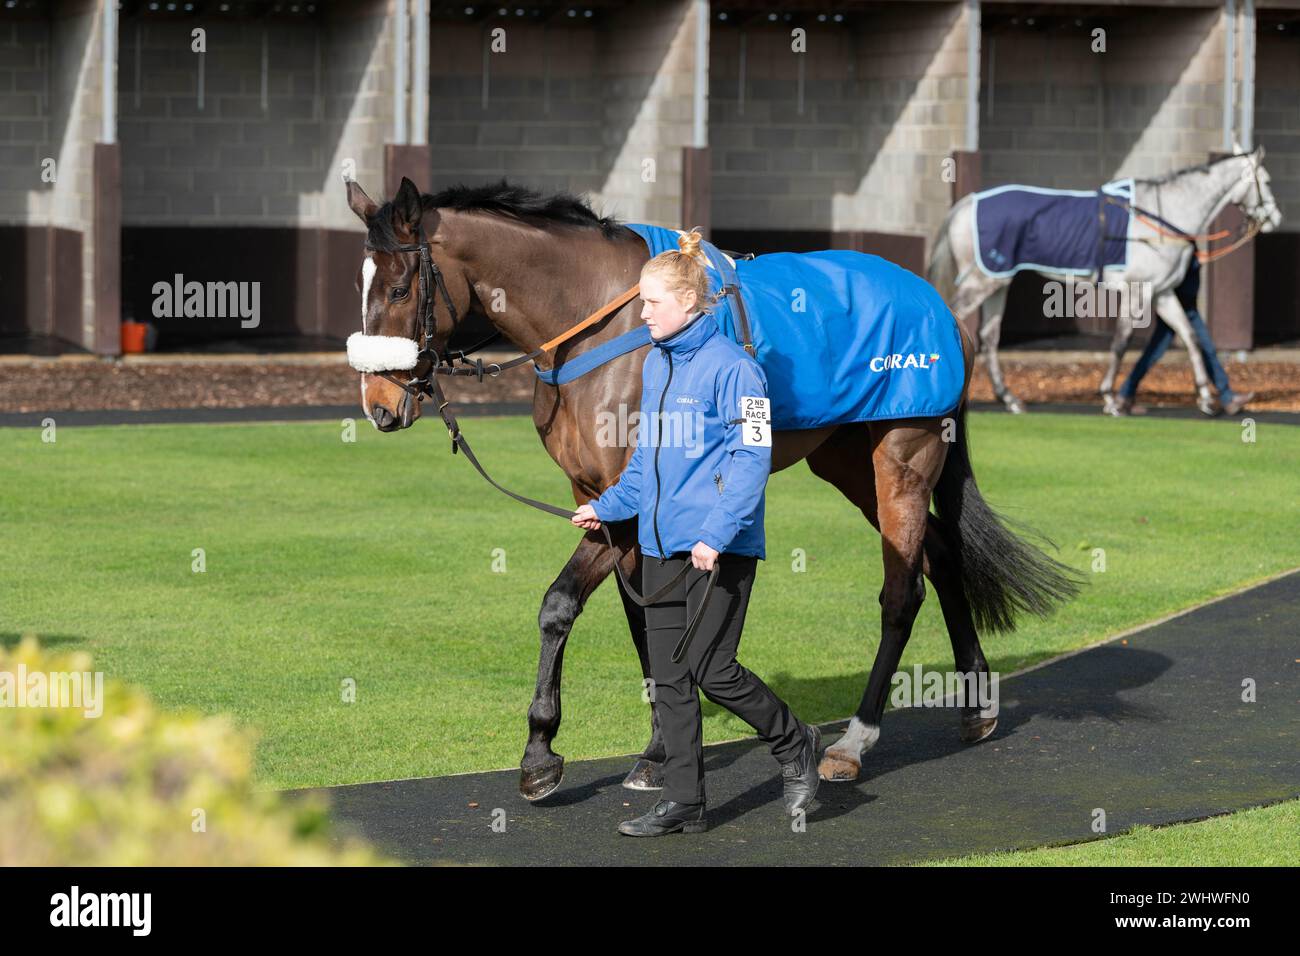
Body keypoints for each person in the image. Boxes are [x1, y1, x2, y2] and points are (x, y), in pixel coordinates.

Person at [570, 229, 821, 837]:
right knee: (670, 681)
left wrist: (715, 533)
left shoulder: (738, 370)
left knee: (712, 669)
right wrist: (609, 507)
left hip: (718, 550)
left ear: (688, 301)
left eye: (652, 302)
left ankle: (796, 742)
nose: (643, 313)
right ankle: (685, 802)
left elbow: (752, 459)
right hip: (659, 546)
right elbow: (646, 462)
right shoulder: (656, 365)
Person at [1113, 257, 1254, 416]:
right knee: (1203, 347)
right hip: (1181, 306)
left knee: (1154, 352)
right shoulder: (1180, 246)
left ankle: (1125, 395)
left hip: (1184, 305)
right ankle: (1226, 397)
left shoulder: (1187, 246)